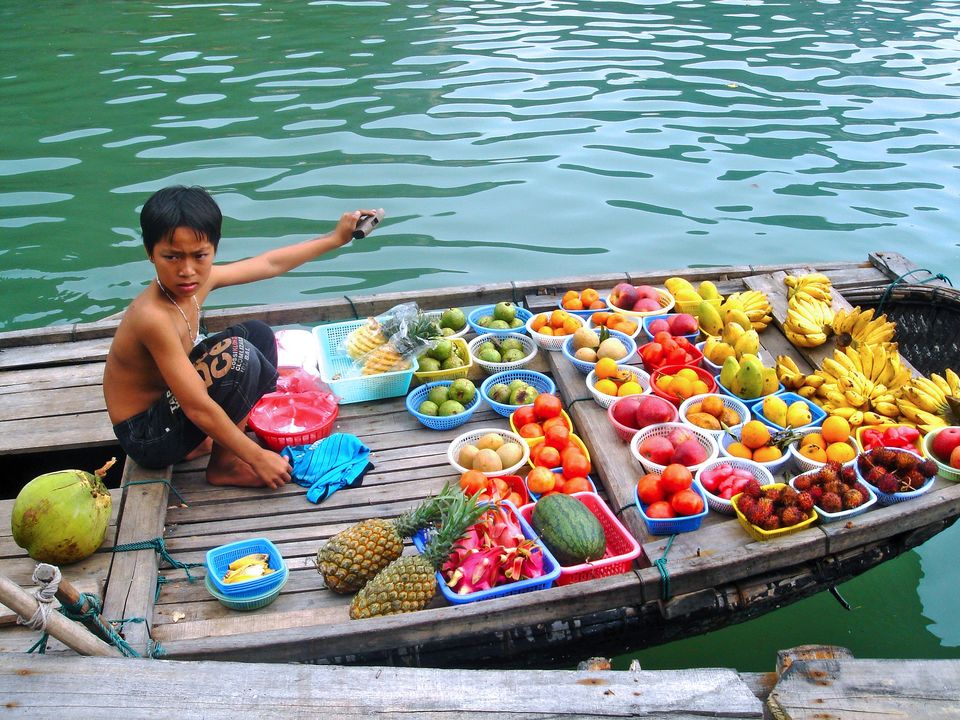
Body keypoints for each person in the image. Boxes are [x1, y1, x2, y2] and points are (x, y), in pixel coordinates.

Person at [103, 185, 376, 489]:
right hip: (147, 437)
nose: (187, 270)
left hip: (169, 410)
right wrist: (256, 456)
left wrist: (335, 239)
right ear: (150, 252)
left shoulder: (197, 283)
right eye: (172, 257)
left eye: (200, 256)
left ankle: (209, 444)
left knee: (257, 335)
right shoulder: (153, 317)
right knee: (238, 355)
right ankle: (225, 466)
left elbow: (270, 264)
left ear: (214, 249)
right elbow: (196, 406)